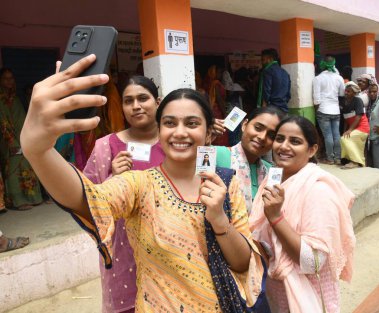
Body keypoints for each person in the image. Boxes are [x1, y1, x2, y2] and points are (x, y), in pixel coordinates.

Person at [20, 55, 264, 313]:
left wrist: (218, 220)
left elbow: (242, 264)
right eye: (170, 123)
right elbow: (86, 199)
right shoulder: (139, 184)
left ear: (207, 132)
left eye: (192, 123)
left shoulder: (224, 183)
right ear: (160, 131)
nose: (180, 132)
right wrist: (39, 151)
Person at [249, 115, 356, 313]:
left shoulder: (318, 190)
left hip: (307, 297)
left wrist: (276, 218)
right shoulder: (273, 180)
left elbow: (312, 262)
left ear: (312, 149)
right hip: (277, 294)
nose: (284, 146)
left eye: (295, 141)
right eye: (280, 139)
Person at [83, 76, 164, 313]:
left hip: (169, 248)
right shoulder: (106, 147)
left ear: (157, 102)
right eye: (128, 101)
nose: (136, 106)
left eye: (143, 98)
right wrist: (113, 178)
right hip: (123, 252)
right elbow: (86, 200)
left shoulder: (175, 141)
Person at [216, 106, 285, 214]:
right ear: (244, 125)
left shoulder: (270, 171)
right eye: (258, 128)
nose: (262, 137)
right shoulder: (216, 154)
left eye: (271, 135)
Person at [0, 68, 43, 210]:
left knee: (26, 166)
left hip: (22, 139)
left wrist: (25, 139)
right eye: (5, 78)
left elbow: (23, 120)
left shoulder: (16, 98)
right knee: (13, 169)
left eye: (11, 78)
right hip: (8, 141)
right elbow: (3, 123)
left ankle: (33, 197)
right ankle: (18, 201)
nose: (9, 81)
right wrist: (12, 142)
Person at [313, 56, 345, 165]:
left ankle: (330, 159)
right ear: (334, 64)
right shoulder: (339, 78)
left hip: (323, 109)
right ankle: (337, 158)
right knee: (336, 134)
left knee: (328, 135)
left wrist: (317, 111)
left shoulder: (318, 78)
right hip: (335, 110)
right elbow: (341, 93)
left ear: (323, 64)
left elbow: (316, 99)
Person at [340, 82, 370, 169]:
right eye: (346, 91)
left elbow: (358, 117)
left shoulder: (358, 101)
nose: (346, 92)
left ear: (354, 93)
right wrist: (345, 130)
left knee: (344, 139)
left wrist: (349, 130)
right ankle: (350, 160)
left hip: (363, 128)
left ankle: (355, 162)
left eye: (349, 91)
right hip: (353, 128)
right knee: (345, 138)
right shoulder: (344, 102)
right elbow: (346, 119)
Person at [257, 49, 291, 113]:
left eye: (263, 60)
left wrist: (265, 105)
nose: (262, 62)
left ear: (270, 59)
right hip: (284, 108)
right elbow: (288, 94)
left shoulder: (267, 71)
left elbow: (266, 91)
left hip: (271, 108)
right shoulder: (285, 72)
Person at [203, 65, 229, 145]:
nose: (220, 74)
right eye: (219, 72)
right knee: (221, 130)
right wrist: (225, 113)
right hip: (217, 110)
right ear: (214, 73)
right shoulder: (216, 84)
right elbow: (220, 100)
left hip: (211, 108)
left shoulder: (207, 83)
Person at [368, 83, 379, 168]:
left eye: (374, 91)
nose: (372, 93)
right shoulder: (370, 103)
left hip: (378, 137)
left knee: (377, 164)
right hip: (372, 137)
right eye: (370, 92)